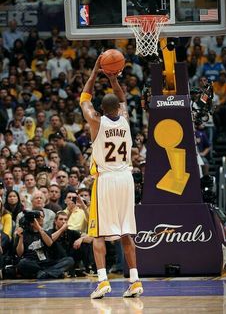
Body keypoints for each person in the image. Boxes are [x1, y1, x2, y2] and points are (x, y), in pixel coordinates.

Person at [79, 55, 143, 299]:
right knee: (126, 232)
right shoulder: (125, 119)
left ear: (101, 109)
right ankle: (135, 281)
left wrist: (95, 72)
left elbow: (84, 99)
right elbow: (124, 97)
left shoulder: (95, 121)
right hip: (126, 179)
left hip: (106, 181)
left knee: (97, 233)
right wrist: (113, 79)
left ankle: (103, 281)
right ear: (118, 108)